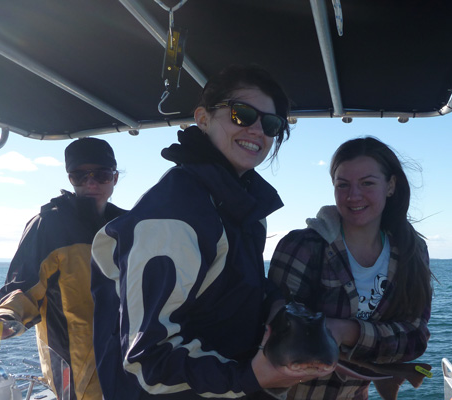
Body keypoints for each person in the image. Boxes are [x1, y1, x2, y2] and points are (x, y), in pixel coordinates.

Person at [91, 64, 329, 400]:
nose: (258, 129)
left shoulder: (242, 207)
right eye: (242, 114)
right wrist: (249, 377)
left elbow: (240, 290)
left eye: (271, 123)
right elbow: (149, 360)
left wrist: (278, 310)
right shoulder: (173, 218)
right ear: (203, 118)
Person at [268, 137, 433, 400]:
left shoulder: (412, 251)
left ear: (391, 186)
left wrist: (347, 331)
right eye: (342, 185)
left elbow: (415, 336)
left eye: (367, 183)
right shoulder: (301, 246)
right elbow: (273, 332)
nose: (353, 195)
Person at [0, 137, 125, 400]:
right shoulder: (48, 225)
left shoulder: (128, 225)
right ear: (70, 179)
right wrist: (2, 317)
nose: (92, 182)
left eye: (102, 174)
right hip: (76, 384)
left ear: (115, 178)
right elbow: (22, 290)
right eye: (79, 176)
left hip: (132, 373)